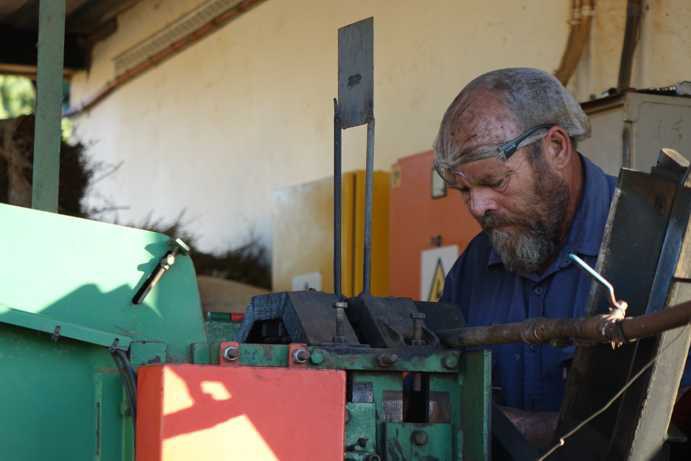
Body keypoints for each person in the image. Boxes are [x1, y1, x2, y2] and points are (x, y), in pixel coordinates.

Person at [433, 68, 616, 415]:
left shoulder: (661, 242)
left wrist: (523, 434)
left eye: (495, 181)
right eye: (464, 191)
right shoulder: (474, 268)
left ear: (556, 148)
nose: (477, 207)